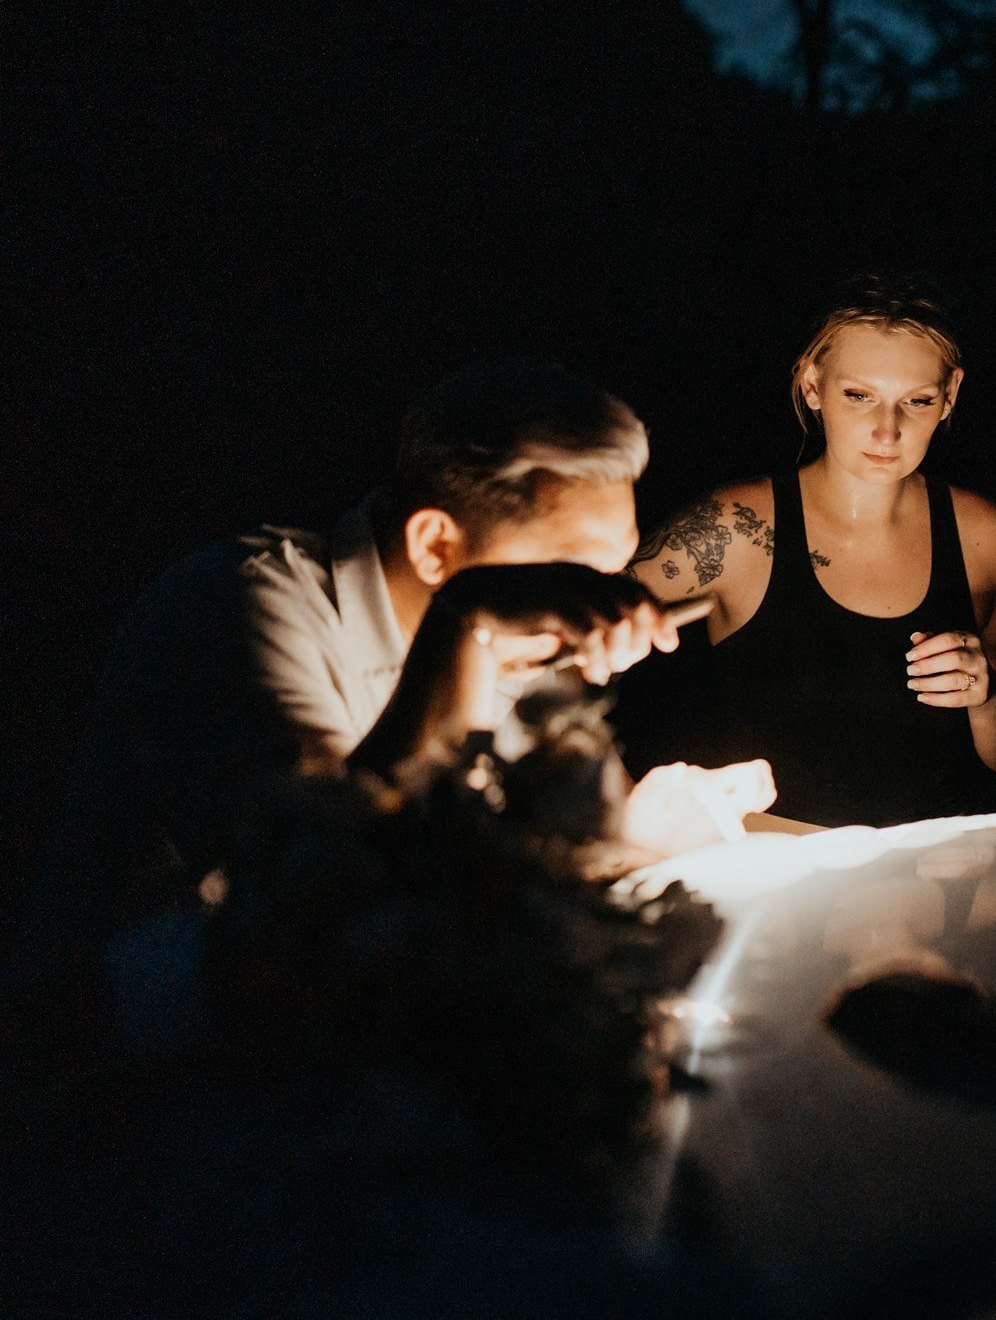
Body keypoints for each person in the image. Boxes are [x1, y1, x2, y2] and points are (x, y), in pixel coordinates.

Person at [10, 358, 771, 1009]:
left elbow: (478, 893)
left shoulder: (527, 662)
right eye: (571, 575)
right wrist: (463, 630)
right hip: (122, 1097)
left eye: (615, 570)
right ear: (437, 544)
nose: (597, 607)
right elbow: (315, 886)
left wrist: (625, 833)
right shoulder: (233, 609)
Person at [631, 277, 996, 826]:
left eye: (917, 401)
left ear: (950, 396)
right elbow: (556, 630)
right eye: (859, 395)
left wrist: (987, 697)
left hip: (934, 885)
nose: (887, 430)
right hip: (783, 878)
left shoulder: (985, 535)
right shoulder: (735, 527)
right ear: (811, 385)